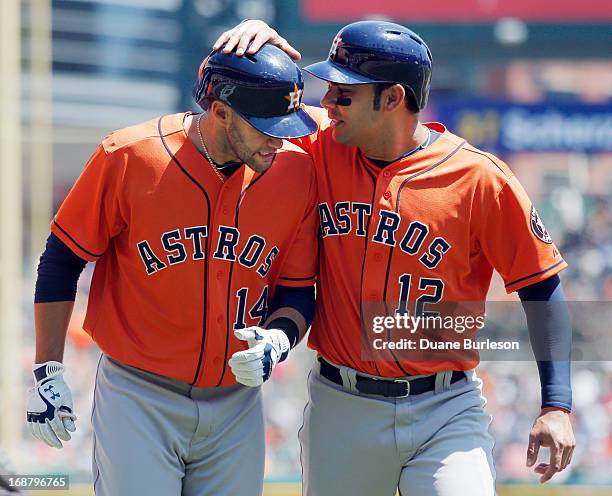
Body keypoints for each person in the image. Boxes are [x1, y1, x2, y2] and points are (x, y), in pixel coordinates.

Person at [215, 20, 576, 495]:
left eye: (344, 94)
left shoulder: (479, 179)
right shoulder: (318, 142)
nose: (326, 103)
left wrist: (557, 404)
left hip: (444, 408)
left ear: (392, 99)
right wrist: (254, 43)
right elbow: (238, 116)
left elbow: (542, 286)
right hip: (342, 404)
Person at [25, 44, 319, 496]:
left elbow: (297, 292)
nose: (278, 140)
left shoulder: (293, 173)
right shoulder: (131, 155)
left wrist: (279, 339)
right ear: (220, 112)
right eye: (265, 128)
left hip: (236, 403)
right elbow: (61, 261)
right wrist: (48, 369)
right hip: (138, 396)